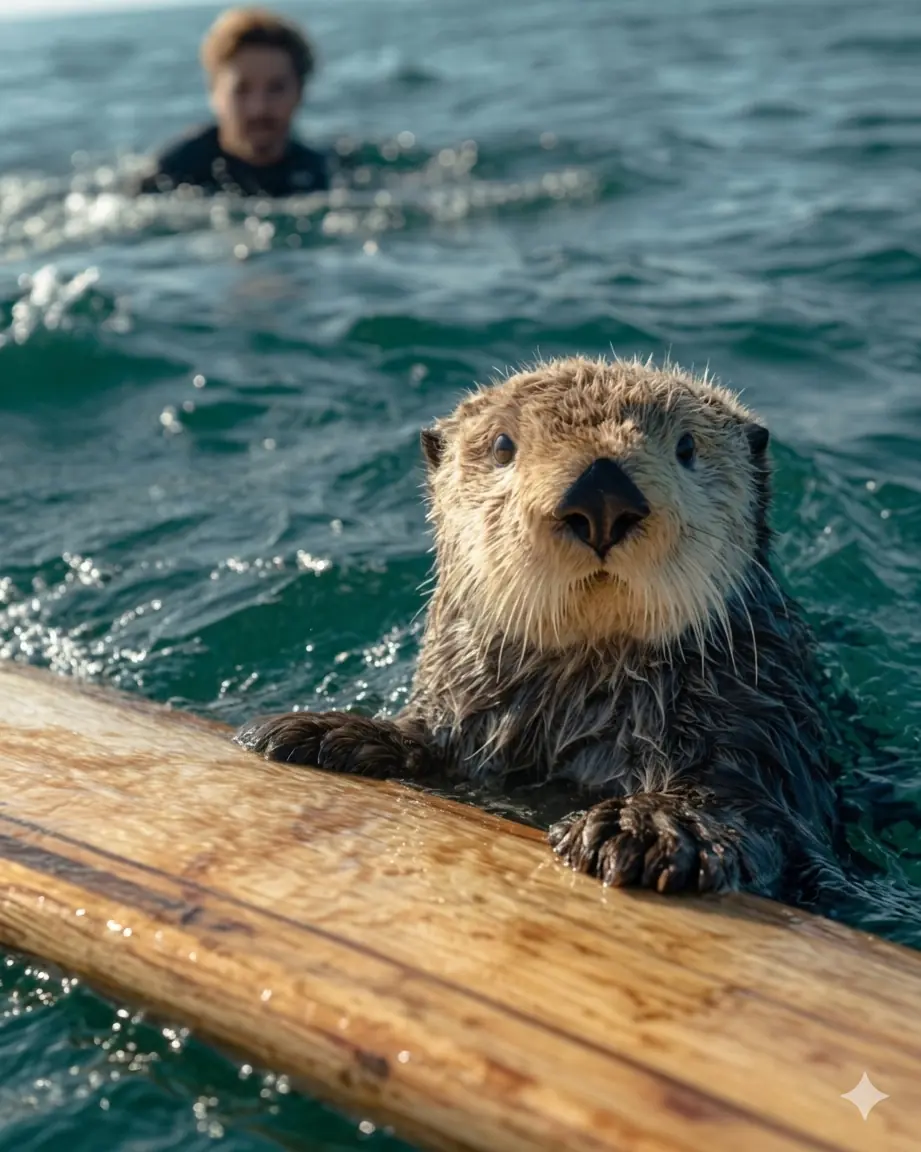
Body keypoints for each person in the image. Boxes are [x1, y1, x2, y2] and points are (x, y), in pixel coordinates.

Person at [137, 7, 329, 197]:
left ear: (300, 92)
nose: (258, 108)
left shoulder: (327, 173)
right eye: (241, 90)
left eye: (276, 89)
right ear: (214, 92)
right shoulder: (167, 176)